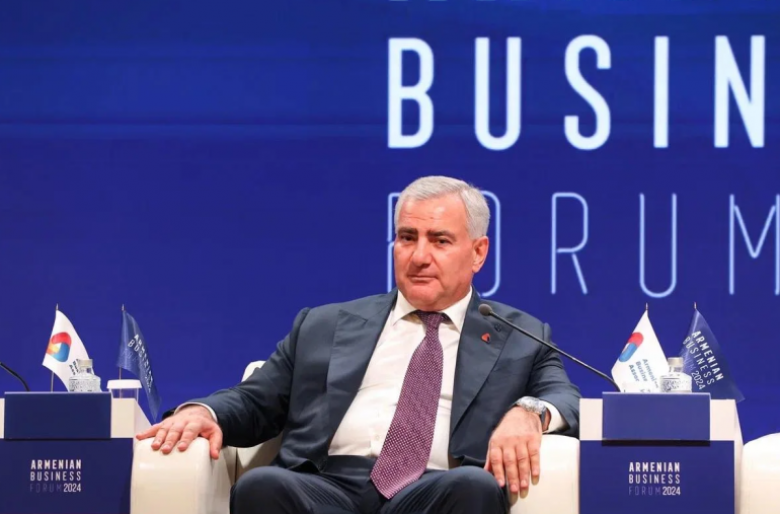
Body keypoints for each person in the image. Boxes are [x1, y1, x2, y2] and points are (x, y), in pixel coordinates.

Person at [137, 176, 581, 514]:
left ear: (478, 252)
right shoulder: (325, 324)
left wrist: (529, 412)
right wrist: (204, 412)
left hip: (435, 490)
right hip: (326, 485)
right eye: (407, 238)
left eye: (440, 241)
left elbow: (566, 398)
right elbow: (256, 400)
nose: (419, 256)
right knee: (261, 486)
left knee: (473, 487)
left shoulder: (519, 335)